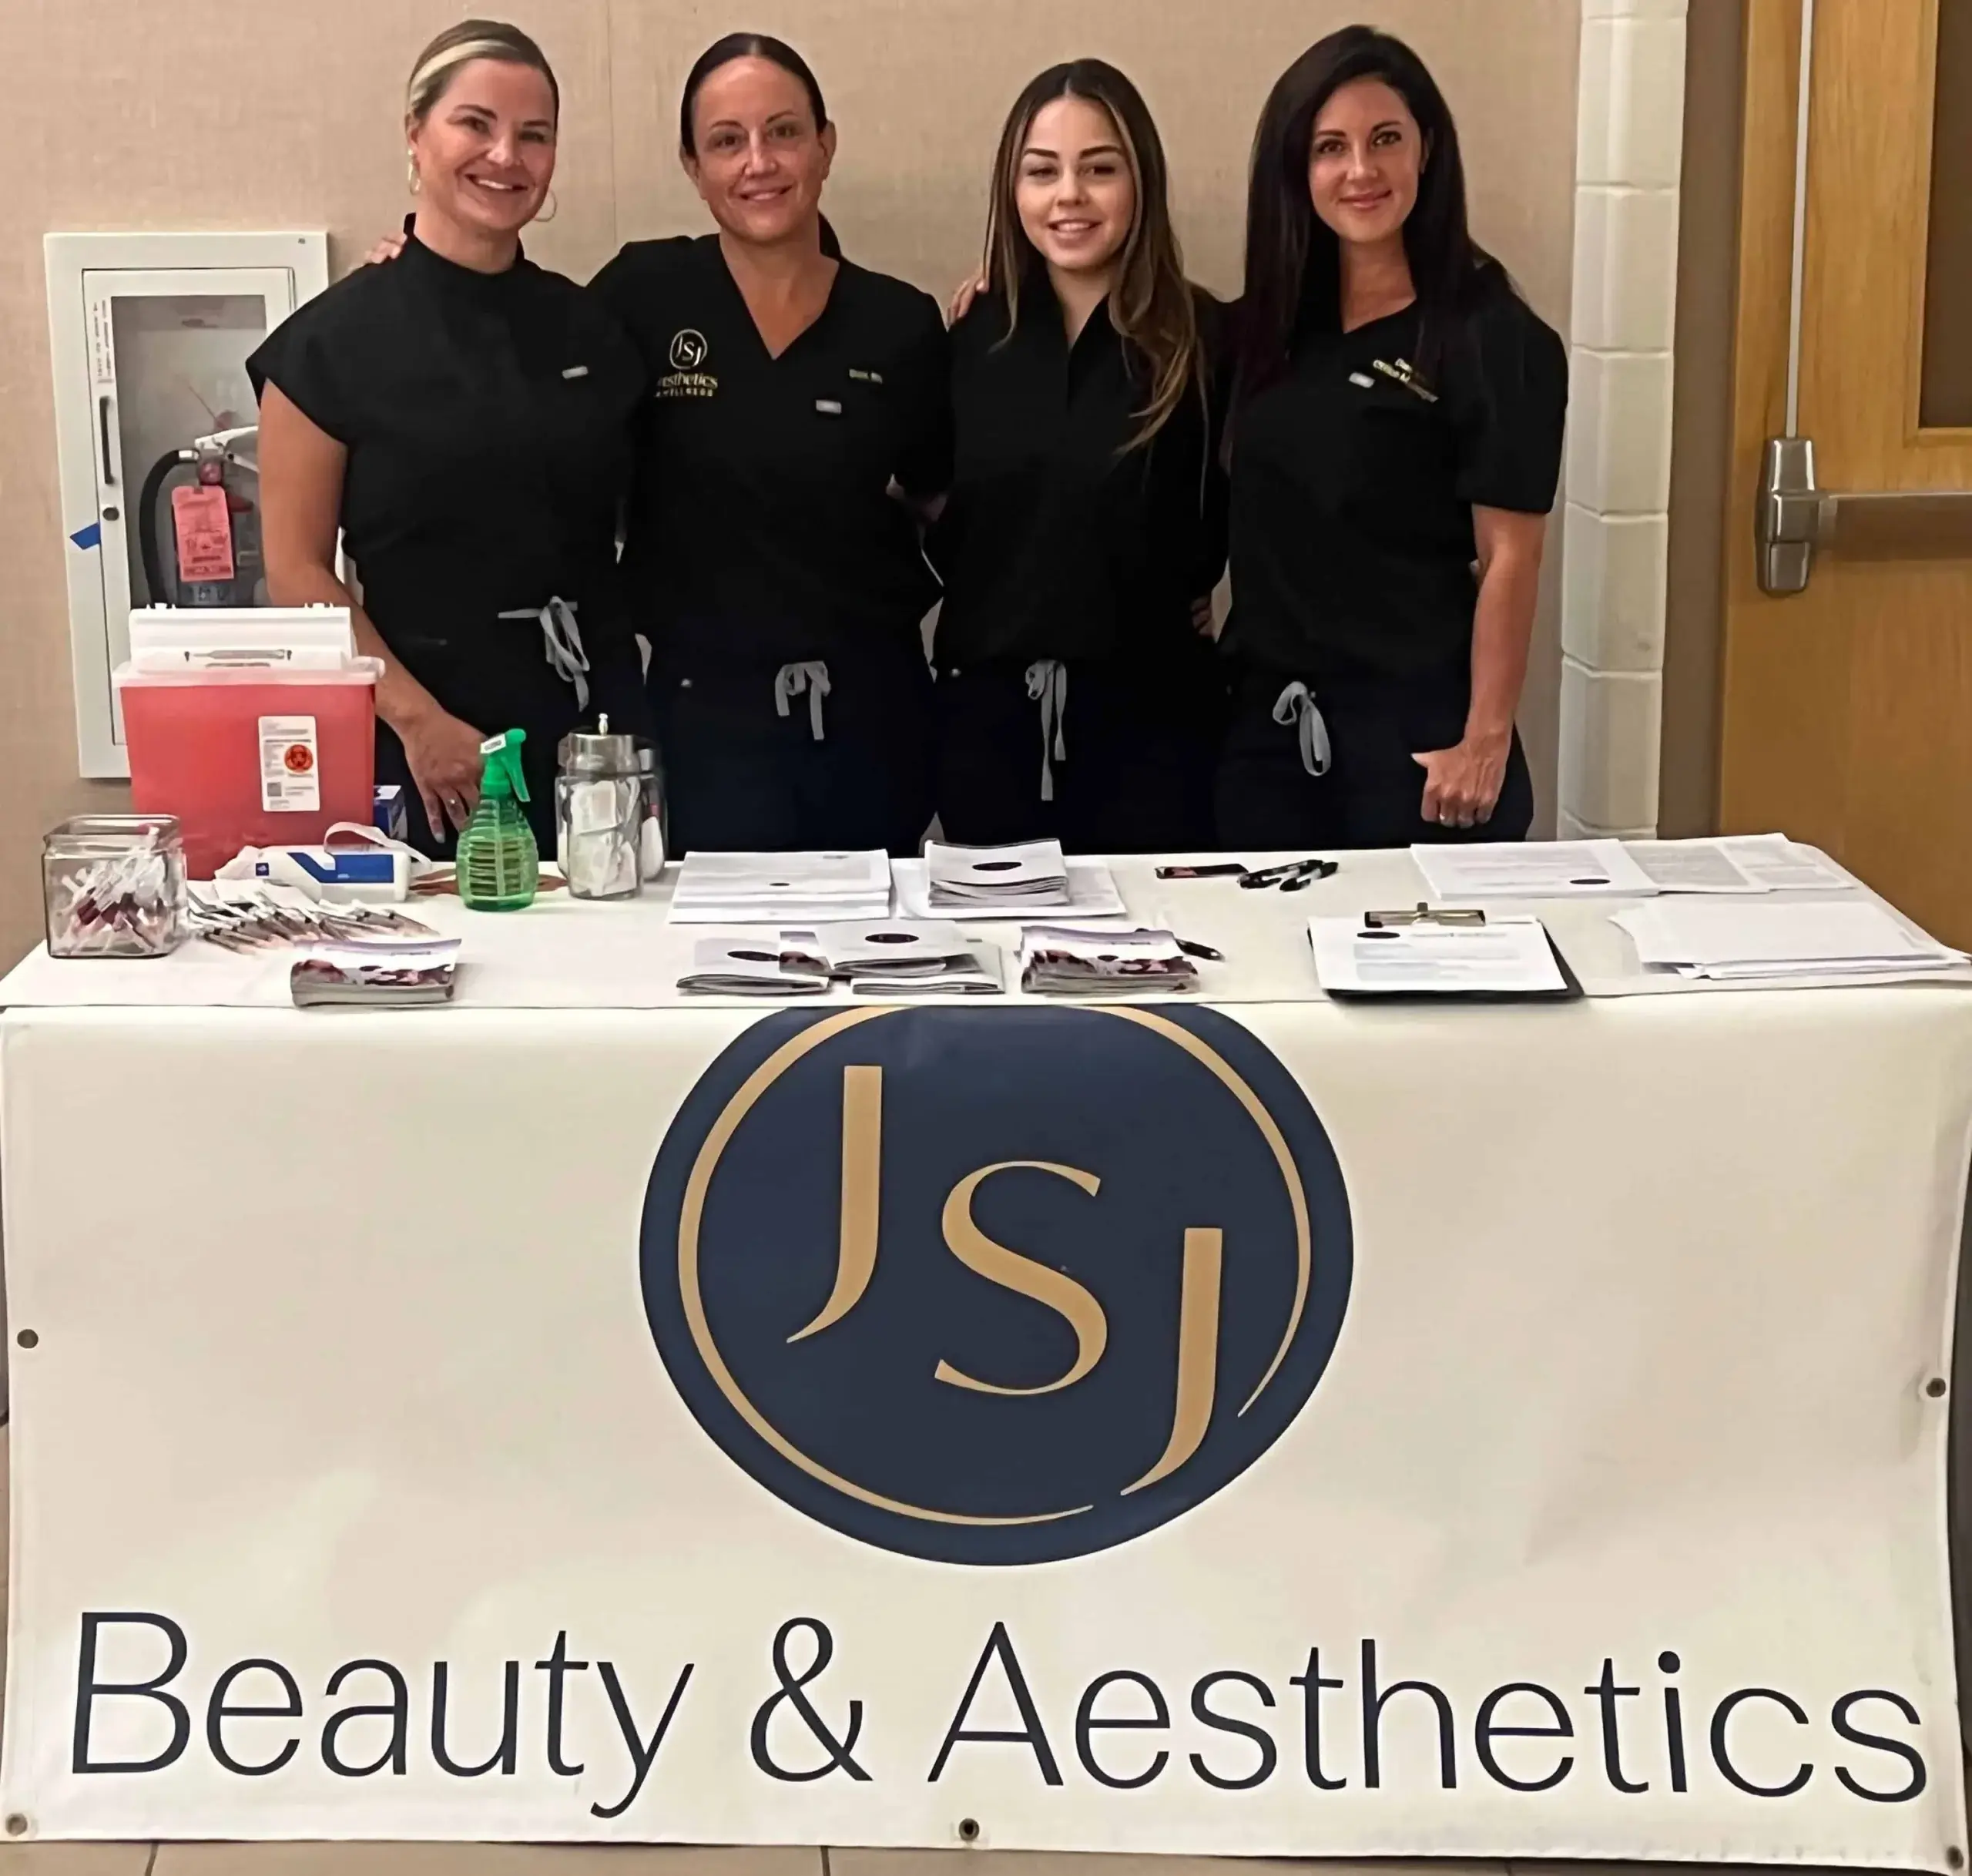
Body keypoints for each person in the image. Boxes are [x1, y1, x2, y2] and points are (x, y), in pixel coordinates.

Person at [251, 20, 647, 854]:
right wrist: (419, 722)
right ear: (415, 134)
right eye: (476, 124)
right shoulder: (329, 346)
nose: (506, 155)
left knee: (610, 967)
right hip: (430, 736)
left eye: (533, 135)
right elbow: (296, 572)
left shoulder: (591, 329)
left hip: (598, 728)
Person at [589, 35, 952, 856]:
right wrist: (416, 264)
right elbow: (523, 372)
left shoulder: (899, 322)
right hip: (702, 731)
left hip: (873, 725)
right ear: (692, 164)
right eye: (726, 140)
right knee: (718, 971)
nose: (759, 161)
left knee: (875, 967)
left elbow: (951, 497)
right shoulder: (640, 296)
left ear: (825, 143)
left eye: (783, 131)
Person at [1216, 25, 1567, 849]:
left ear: (1427, 150)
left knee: (1415, 981)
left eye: (1385, 140)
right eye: (1329, 147)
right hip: (1264, 738)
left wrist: (1483, 741)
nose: (1360, 171)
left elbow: (1509, 557)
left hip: (1419, 747)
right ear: (1296, 171)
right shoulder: (1260, 333)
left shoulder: (1491, 336)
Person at [930, 61, 1227, 854]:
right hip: (986, 734)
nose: (1069, 195)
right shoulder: (970, 338)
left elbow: (1254, 512)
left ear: (1142, 181)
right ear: (1011, 189)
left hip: (1156, 738)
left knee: (1155, 968)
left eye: (1099, 168)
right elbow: (927, 503)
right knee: (996, 968)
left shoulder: (1206, 341)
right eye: (1042, 171)